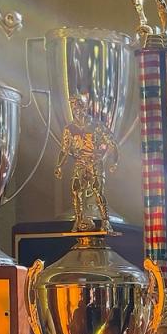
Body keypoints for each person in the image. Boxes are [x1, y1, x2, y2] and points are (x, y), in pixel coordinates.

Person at [55, 96, 120, 233]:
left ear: (84, 108)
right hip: (80, 162)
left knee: (97, 191)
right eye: (74, 109)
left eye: (78, 108)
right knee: (75, 190)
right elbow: (64, 149)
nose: (76, 112)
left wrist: (114, 161)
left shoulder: (96, 125)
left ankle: (105, 221)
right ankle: (78, 220)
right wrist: (59, 166)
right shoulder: (70, 129)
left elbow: (112, 143)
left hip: (95, 161)